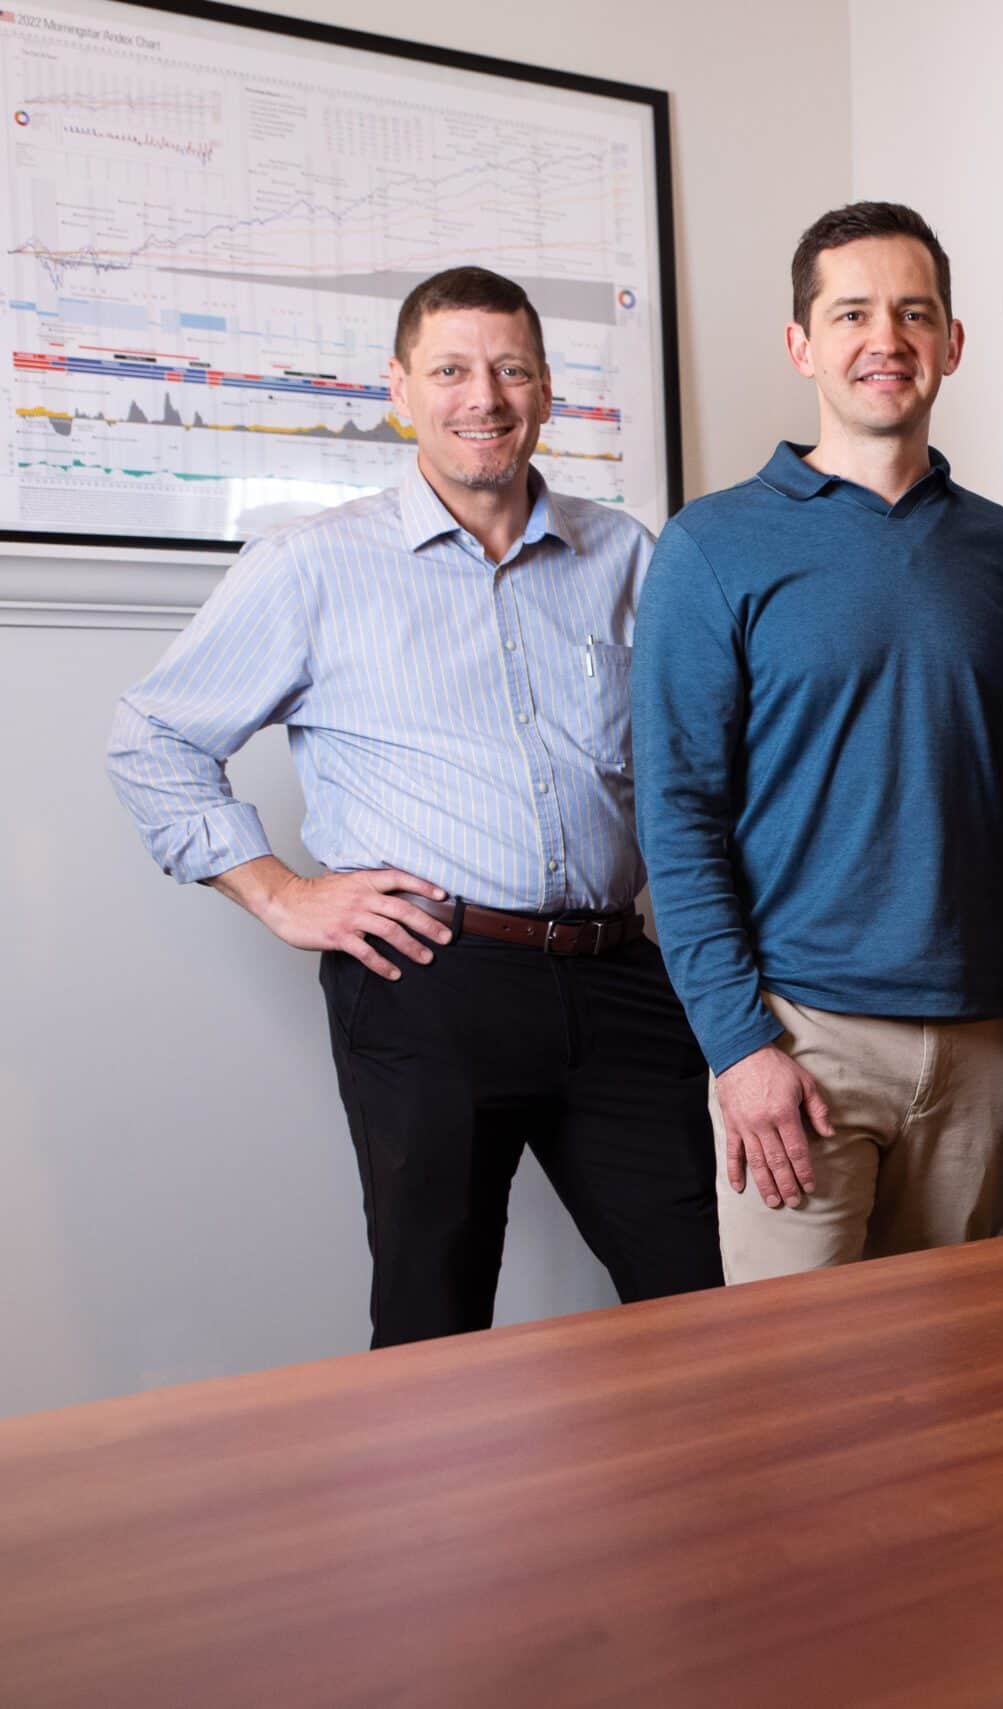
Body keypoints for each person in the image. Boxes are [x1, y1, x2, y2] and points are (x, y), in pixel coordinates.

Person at [106, 266, 721, 1347]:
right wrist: (284, 895)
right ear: (400, 389)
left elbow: (697, 758)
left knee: (710, 1296)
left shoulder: (624, 553)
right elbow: (152, 737)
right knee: (432, 1324)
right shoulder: (311, 566)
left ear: (545, 389)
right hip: (429, 979)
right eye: (450, 369)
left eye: (510, 368)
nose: (482, 395)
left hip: (619, 975)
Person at [633, 203, 1003, 1279]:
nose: (888, 338)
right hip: (804, 1043)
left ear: (952, 343)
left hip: (983, 1046)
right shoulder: (711, 546)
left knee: (952, 1394)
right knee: (798, 1411)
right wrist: (740, 1046)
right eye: (853, 313)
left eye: (914, 312)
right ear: (802, 345)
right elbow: (677, 818)